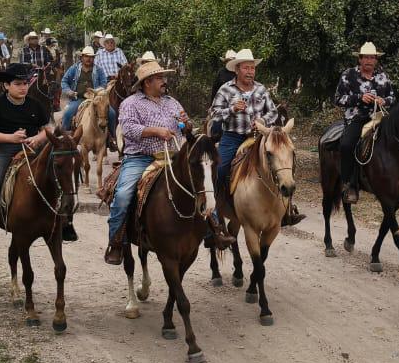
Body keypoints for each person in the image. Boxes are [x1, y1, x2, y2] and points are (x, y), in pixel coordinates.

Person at [106, 60, 228, 265]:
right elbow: (128, 130)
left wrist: (187, 125)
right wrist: (156, 131)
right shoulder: (130, 104)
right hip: (140, 158)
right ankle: (117, 241)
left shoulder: (172, 102)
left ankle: (215, 230)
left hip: (173, 156)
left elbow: (185, 127)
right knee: (123, 194)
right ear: (147, 82)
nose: (164, 81)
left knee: (203, 184)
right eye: (160, 78)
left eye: (163, 78)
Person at [0, 62, 79, 249]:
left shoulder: (35, 105)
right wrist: (10, 138)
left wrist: (38, 139)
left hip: (31, 148)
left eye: (25, 84)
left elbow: (48, 129)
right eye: (18, 84)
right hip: (0, 149)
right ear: (6, 85)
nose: (23, 88)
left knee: (60, 171)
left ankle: (65, 222)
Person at [209, 50, 305, 227]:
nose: (250, 72)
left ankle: (287, 208)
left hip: (259, 136)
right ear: (237, 69)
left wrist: (262, 120)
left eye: (252, 68)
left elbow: (273, 112)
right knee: (221, 168)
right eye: (246, 68)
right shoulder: (226, 89)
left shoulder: (261, 89)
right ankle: (218, 207)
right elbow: (213, 113)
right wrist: (232, 109)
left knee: (284, 160)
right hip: (232, 137)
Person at [334, 42, 395, 205]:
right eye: (366, 57)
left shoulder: (383, 76)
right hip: (356, 118)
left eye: (372, 57)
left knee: (397, 137)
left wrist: (384, 100)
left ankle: (397, 177)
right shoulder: (348, 75)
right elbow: (338, 99)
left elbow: (392, 97)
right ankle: (349, 184)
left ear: (376, 60)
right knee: (347, 145)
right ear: (359, 59)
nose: (369, 60)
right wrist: (359, 98)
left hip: (379, 116)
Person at [60, 47, 108, 131]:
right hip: (78, 98)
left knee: (112, 114)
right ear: (82, 57)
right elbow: (64, 81)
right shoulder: (74, 68)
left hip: (95, 99)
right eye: (86, 56)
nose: (89, 59)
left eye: (91, 57)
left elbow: (104, 83)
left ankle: (112, 138)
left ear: (94, 58)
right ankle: (64, 136)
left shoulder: (99, 70)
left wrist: (96, 91)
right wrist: (69, 91)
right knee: (68, 113)